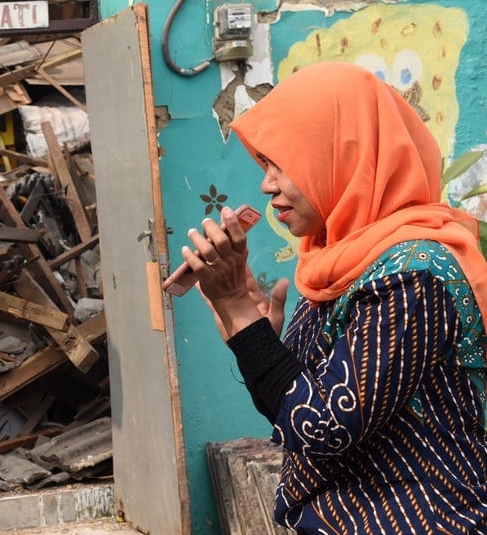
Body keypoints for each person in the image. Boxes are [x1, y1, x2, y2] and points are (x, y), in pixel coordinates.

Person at [183, 62, 487, 533]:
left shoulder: (413, 275)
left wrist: (244, 319)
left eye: (283, 163)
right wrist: (253, 338)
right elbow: (299, 409)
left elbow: (324, 426)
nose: (267, 184)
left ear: (344, 156)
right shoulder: (336, 261)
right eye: (265, 164)